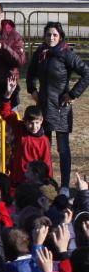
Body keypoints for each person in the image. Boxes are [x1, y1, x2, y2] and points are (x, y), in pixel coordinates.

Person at [26, 21, 89, 194]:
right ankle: (43, 182)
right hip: (44, 108)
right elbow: (30, 73)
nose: (51, 38)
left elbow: (86, 73)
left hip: (61, 108)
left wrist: (73, 94)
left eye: (54, 35)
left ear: (60, 36)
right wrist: (33, 90)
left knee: (63, 149)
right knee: (43, 146)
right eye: (48, 34)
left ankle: (65, 187)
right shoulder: (40, 52)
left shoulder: (66, 53)